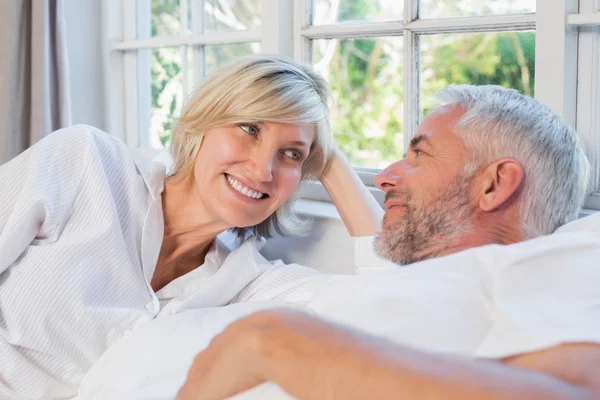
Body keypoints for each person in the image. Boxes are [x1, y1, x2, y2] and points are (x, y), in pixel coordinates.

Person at [176, 85, 600, 399]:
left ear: (494, 184)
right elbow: (377, 248)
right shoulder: (430, 282)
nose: (384, 177)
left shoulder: (559, 262)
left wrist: (272, 341)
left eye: (419, 155)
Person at [0, 55, 381, 399]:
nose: (263, 170)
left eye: (291, 154)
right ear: (204, 122)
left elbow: (395, 295)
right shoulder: (85, 162)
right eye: (249, 129)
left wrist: (331, 162)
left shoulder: (246, 281)